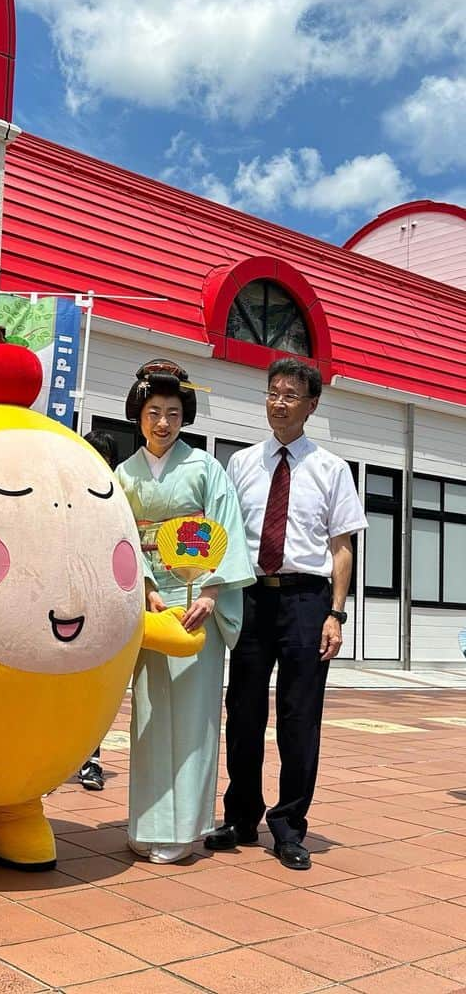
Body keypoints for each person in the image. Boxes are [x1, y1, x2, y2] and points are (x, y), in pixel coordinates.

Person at [206, 358, 366, 870]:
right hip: (252, 597)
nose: (279, 401)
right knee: (244, 712)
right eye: (273, 392)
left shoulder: (330, 468)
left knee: (300, 718)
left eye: (291, 394)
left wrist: (336, 614)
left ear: (312, 405)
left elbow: (341, 548)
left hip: (306, 601)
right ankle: (241, 816)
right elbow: (224, 538)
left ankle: (290, 826)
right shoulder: (242, 463)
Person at [116, 360, 254, 863]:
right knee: (150, 714)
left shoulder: (205, 468)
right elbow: (123, 541)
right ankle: (146, 822)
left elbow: (228, 530)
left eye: (173, 413)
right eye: (154, 412)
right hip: (152, 601)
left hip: (199, 599)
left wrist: (213, 593)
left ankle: (180, 829)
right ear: (138, 414)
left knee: (193, 718)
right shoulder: (123, 475)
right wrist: (146, 588)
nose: (163, 423)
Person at [78, 428, 119, 792]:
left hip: (100, 609)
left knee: (92, 691)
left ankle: (90, 761)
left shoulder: (115, 499)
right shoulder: (67, 492)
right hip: (67, 606)